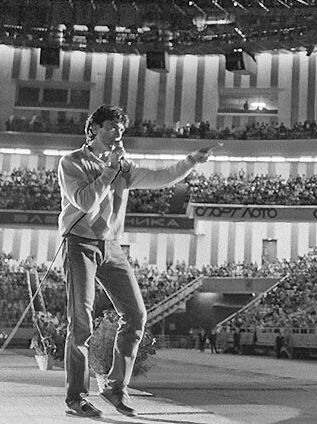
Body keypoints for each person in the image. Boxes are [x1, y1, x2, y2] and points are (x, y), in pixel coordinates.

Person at [59, 104, 216, 417]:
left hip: (111, 245)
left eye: (121, 129)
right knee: (80, 323)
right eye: (112, 128)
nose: (118, 134)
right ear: (94, 129)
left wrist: (190, 162)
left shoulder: (123, 167)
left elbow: (161, 176)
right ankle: (76, 398)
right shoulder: (71, 162)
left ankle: (115, 387)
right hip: (79, 244)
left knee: (136, 315)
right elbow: (86, 201)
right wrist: (109, 170)